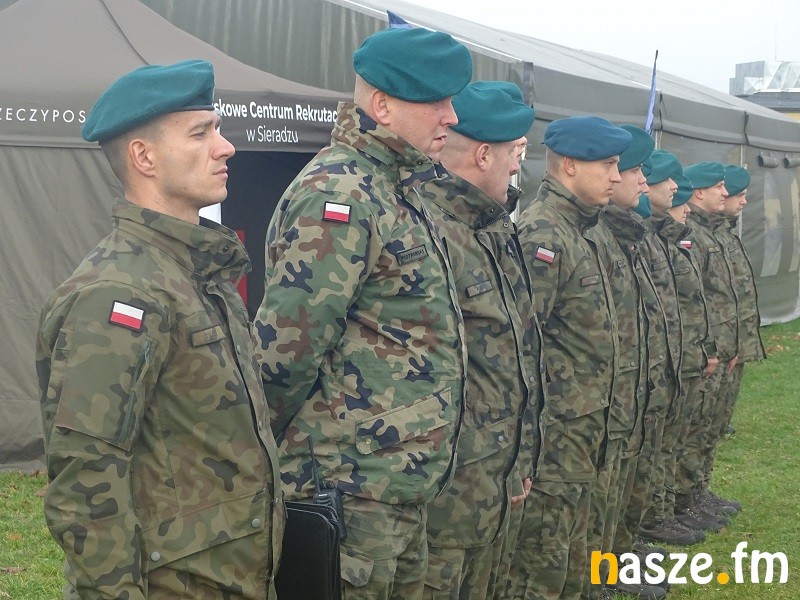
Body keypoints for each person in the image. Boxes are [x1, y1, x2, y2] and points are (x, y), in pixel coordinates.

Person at [36, 60, 284, 599]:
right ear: (144, 157)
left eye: (217, 130)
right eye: (200, 133)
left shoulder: (198, 274)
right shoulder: (119, 292)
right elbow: (86, 481)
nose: (225, 148)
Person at [253, 27, 472, 599]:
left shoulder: (395, 187)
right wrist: (263, 457)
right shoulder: (342, 192)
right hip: (349, 486)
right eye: (436, 102)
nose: (451, 117)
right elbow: (287, 349)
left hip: (393, 484)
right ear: (383, 106)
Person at [417, 82, 540, 600]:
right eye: (513, 155)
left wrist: (519, 459)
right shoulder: (426, 231)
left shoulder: (489, 228)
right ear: (484, 154)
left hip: (493, 473)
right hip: (446, 490)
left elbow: (516, 358)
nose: (516, 168)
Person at [508, 116, 630, 600]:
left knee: (574, 552)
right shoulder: (544, 232)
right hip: (555, 433)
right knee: (541, 562)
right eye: (609, 165)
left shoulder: (585, 229)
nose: (617, 177)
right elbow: (522, 342)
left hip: (586, 425)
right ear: (571, 166)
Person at [636, 152, 705, 547]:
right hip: (636, 377)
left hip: (673, 362)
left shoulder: (660, 237)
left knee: (670, 443)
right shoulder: (642, 237)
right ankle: (648, 522)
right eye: (669, 181)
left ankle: (665, 510)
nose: (678, 191)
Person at [683, 162, 741, 521]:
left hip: (721, 345)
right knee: (695, 426)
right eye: (719, 186)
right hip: (706, 349)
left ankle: (697, 490)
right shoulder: (693, 234)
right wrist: (709, 346)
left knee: (710, 425)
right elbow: (694, 299)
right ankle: (683, 498)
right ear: (699, 192)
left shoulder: (716, 232)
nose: (727, 193)